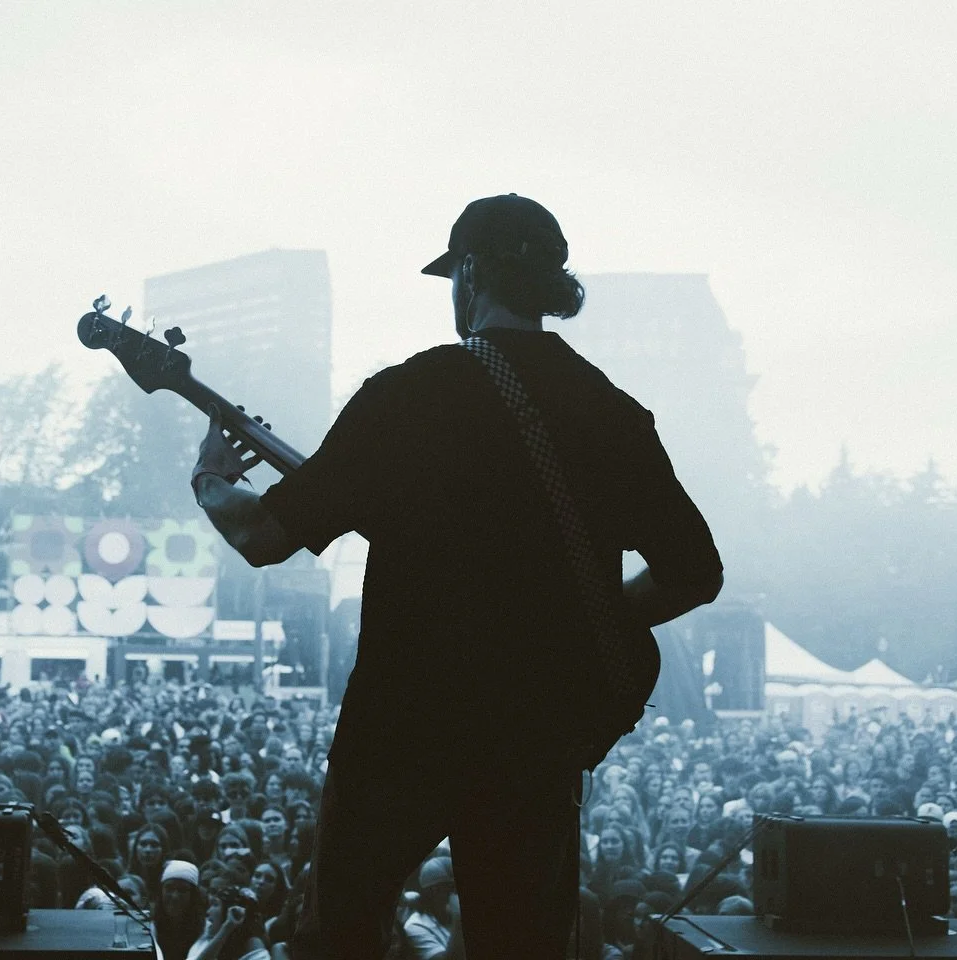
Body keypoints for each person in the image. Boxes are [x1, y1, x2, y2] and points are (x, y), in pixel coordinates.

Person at [191, 193, 722, 960]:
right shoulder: (613, 414)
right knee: (523, 945)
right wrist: (589, 620)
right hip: (536, 739)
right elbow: (694, 572)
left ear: (469, 274)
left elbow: (262, 534)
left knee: (341, 934)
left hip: (399, 729)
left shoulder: (408, 396)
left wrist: (211, 478)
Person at [401, 857, 462, 960]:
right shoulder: (415, 925)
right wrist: (458, 919)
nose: (455, 893)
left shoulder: (451, 912)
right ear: (435, 890)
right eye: (452, 887)